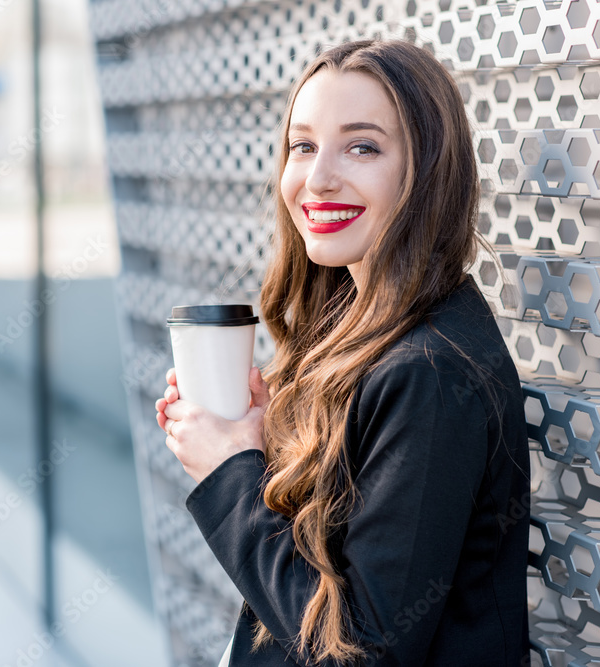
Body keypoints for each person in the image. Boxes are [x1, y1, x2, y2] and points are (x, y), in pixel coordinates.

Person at [154, 38, 530, 666]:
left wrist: (230, 478)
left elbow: (362, 653)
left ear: (429, 170)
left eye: (362, 147)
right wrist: (265, 443)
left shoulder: (430, 374)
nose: (318, 178)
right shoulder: (361, 331)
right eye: (303, 146)